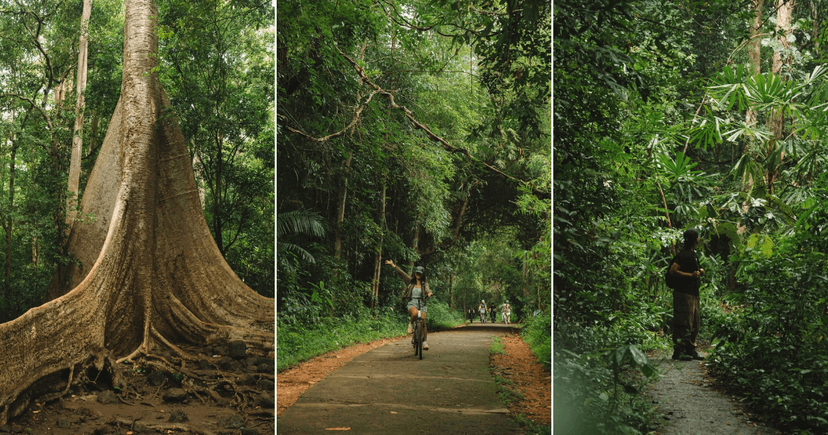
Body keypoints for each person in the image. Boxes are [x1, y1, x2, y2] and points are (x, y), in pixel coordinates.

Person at [668, 228, 705, 361]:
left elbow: (692, 270)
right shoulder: (684, 255)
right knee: (684, 322)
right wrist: (690, 275)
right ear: (696, 239)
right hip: (683, 293)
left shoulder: (693, 254)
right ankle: (679, 351)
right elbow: (673, 271)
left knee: (694, 322)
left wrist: (699, 271)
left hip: (693, 293)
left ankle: (690, 349)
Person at [386, 259, 433, 350]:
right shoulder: (410, 281)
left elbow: (427, 289)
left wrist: (429, 293)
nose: (418, 274)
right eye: (417, 273)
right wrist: (393, 265)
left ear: (422, 274)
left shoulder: (424, 283)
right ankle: (411, 324)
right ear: (415, 273)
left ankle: (424, 342)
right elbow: (401, 273)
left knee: (423, 322)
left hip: (422, 303)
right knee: (414, 314)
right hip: (412, 302)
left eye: (420, 273)